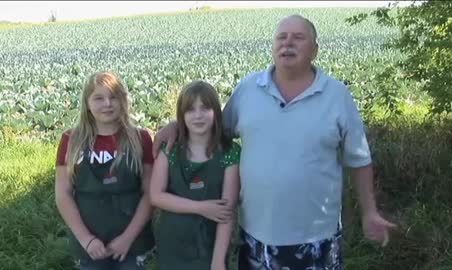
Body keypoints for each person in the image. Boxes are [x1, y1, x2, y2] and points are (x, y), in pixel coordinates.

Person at [154, 14, 397, 270]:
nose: (287, 43)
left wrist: (369, 211)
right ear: (272, 47)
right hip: (257, 238)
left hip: (317, 239)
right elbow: (214, 131)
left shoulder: (337, 96)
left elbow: (358, 159)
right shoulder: (248, 90)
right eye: (281, 37)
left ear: (314, 49)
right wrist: (176, 126)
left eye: (298, 37)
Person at [55, 72, 155, 270]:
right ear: (87, 103)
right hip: (90, 242)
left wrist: (127, 238)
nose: (107, 104)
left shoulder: (140, 138)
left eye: (114, 97)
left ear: (123, 101)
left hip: (132, 242)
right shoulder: (71, 140)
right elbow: (63, 193)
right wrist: (86, 239)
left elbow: (150, 193)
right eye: (99, 98)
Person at [149, 80, 241, 270]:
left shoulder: (230, 152)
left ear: (216, 111)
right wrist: (200, 207)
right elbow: (156, 195)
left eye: (205, 108)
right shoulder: (170, 150)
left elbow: (227, 211)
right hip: (172, 245)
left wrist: (218, 261)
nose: (198, 115)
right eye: (190, 110)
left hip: (209, 245)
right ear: (181, 116)